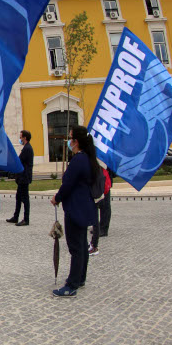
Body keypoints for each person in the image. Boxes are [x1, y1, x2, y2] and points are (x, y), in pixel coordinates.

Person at [50, 125, 99, 297]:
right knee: (82, 245)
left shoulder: (78, 160)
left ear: (76, 141)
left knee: (76, 247)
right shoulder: (88, 158)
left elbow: (68, 184)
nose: (69, 141)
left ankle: (72, 284)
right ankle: (80, 278)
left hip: (76, 207)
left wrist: (57, 197)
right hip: (84, 205)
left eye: (70, 138)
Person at [8, 130, 34, 226]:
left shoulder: (27, 148)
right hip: (22, 177)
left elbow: (19, 161)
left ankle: (26, 219)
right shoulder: (26, 148)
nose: (20, 139)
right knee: (18, 197)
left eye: (21, 137)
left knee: (25, 198)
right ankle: (16, 216)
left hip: (24, 177)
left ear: (25, 138)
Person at [89, 167, 112, 256]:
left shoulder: (104, 159)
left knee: (105, 206)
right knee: (100, 207)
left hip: (104, 183)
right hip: (102, 181)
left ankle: (103, 229)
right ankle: (99, 228)